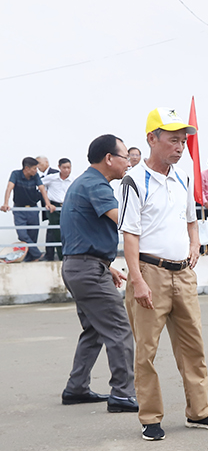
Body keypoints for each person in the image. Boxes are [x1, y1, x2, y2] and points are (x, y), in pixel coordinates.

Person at [120, 107, 208, 442]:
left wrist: (195, 243)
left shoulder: (183, 176)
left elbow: (191, 219)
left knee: (193, 346)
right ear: (151, 139)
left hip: (183, 273)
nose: (180, 147)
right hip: (150, 273)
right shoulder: (134, 180)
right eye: (173, 140)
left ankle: (199, 411)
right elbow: (129, 234)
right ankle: (150, 418)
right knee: (147, 350)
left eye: (183, 141)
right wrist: (136, 279)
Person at [59, 134, 137, 413]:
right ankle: (123, 394)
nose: (128, 163)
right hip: (87, 270)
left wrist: (106, 266)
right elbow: (128, 222)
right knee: (119, 329)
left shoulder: (83, 183)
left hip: (79, 266)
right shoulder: (98, 186)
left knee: (94, 330)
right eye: (125, 157)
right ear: (109, 158)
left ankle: (76, 388)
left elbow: (82, 233)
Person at [2, 157, 55, 262]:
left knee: (33, 235)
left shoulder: (35, 176)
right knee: (22, 235)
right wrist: (5, 203)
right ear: (27, 168)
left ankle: (31, 258)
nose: (36, 170)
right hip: (19, 209)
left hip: (33, 209)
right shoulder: (15, 174)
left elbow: (42, 189)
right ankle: (37, 254)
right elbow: (9, 188)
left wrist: (48, 204)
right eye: (35, 168)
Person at [41, 158, 74, 261]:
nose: (67, 170)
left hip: (67, 207)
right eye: (64, 167)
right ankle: (59, 256)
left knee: (68, 231)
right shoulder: (52, 178)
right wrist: (47, 202)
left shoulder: (73, 180)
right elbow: (40, 185)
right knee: (55, 231)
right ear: (59, 167)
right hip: (54, 207)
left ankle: (67, 255)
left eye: (69, 167)